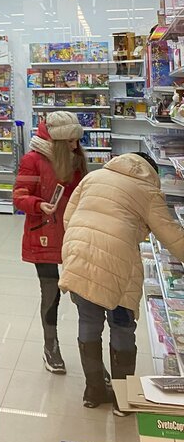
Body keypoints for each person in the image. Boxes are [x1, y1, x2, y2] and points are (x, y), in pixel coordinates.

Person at [60, 152, 184, 411]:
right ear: (149, 171)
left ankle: (93, 390)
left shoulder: (93, 177)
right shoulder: (147, 191)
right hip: (119, 265)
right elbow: (172, 235)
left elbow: (68, 218)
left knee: (88, 322)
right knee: (122, 327)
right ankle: (122, 398)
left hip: (79, 255)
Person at [13, 111, 87, 375]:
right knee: (50, 293)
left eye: (77, 140)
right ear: (57, 140)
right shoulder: (32, 160)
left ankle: (90, 355)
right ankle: (50, 346)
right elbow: (19, 196)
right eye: (70, 141)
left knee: (83, 295)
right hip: (42, 233)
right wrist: (38, 204)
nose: (76, 145)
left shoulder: (75, 159)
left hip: (71, 233)